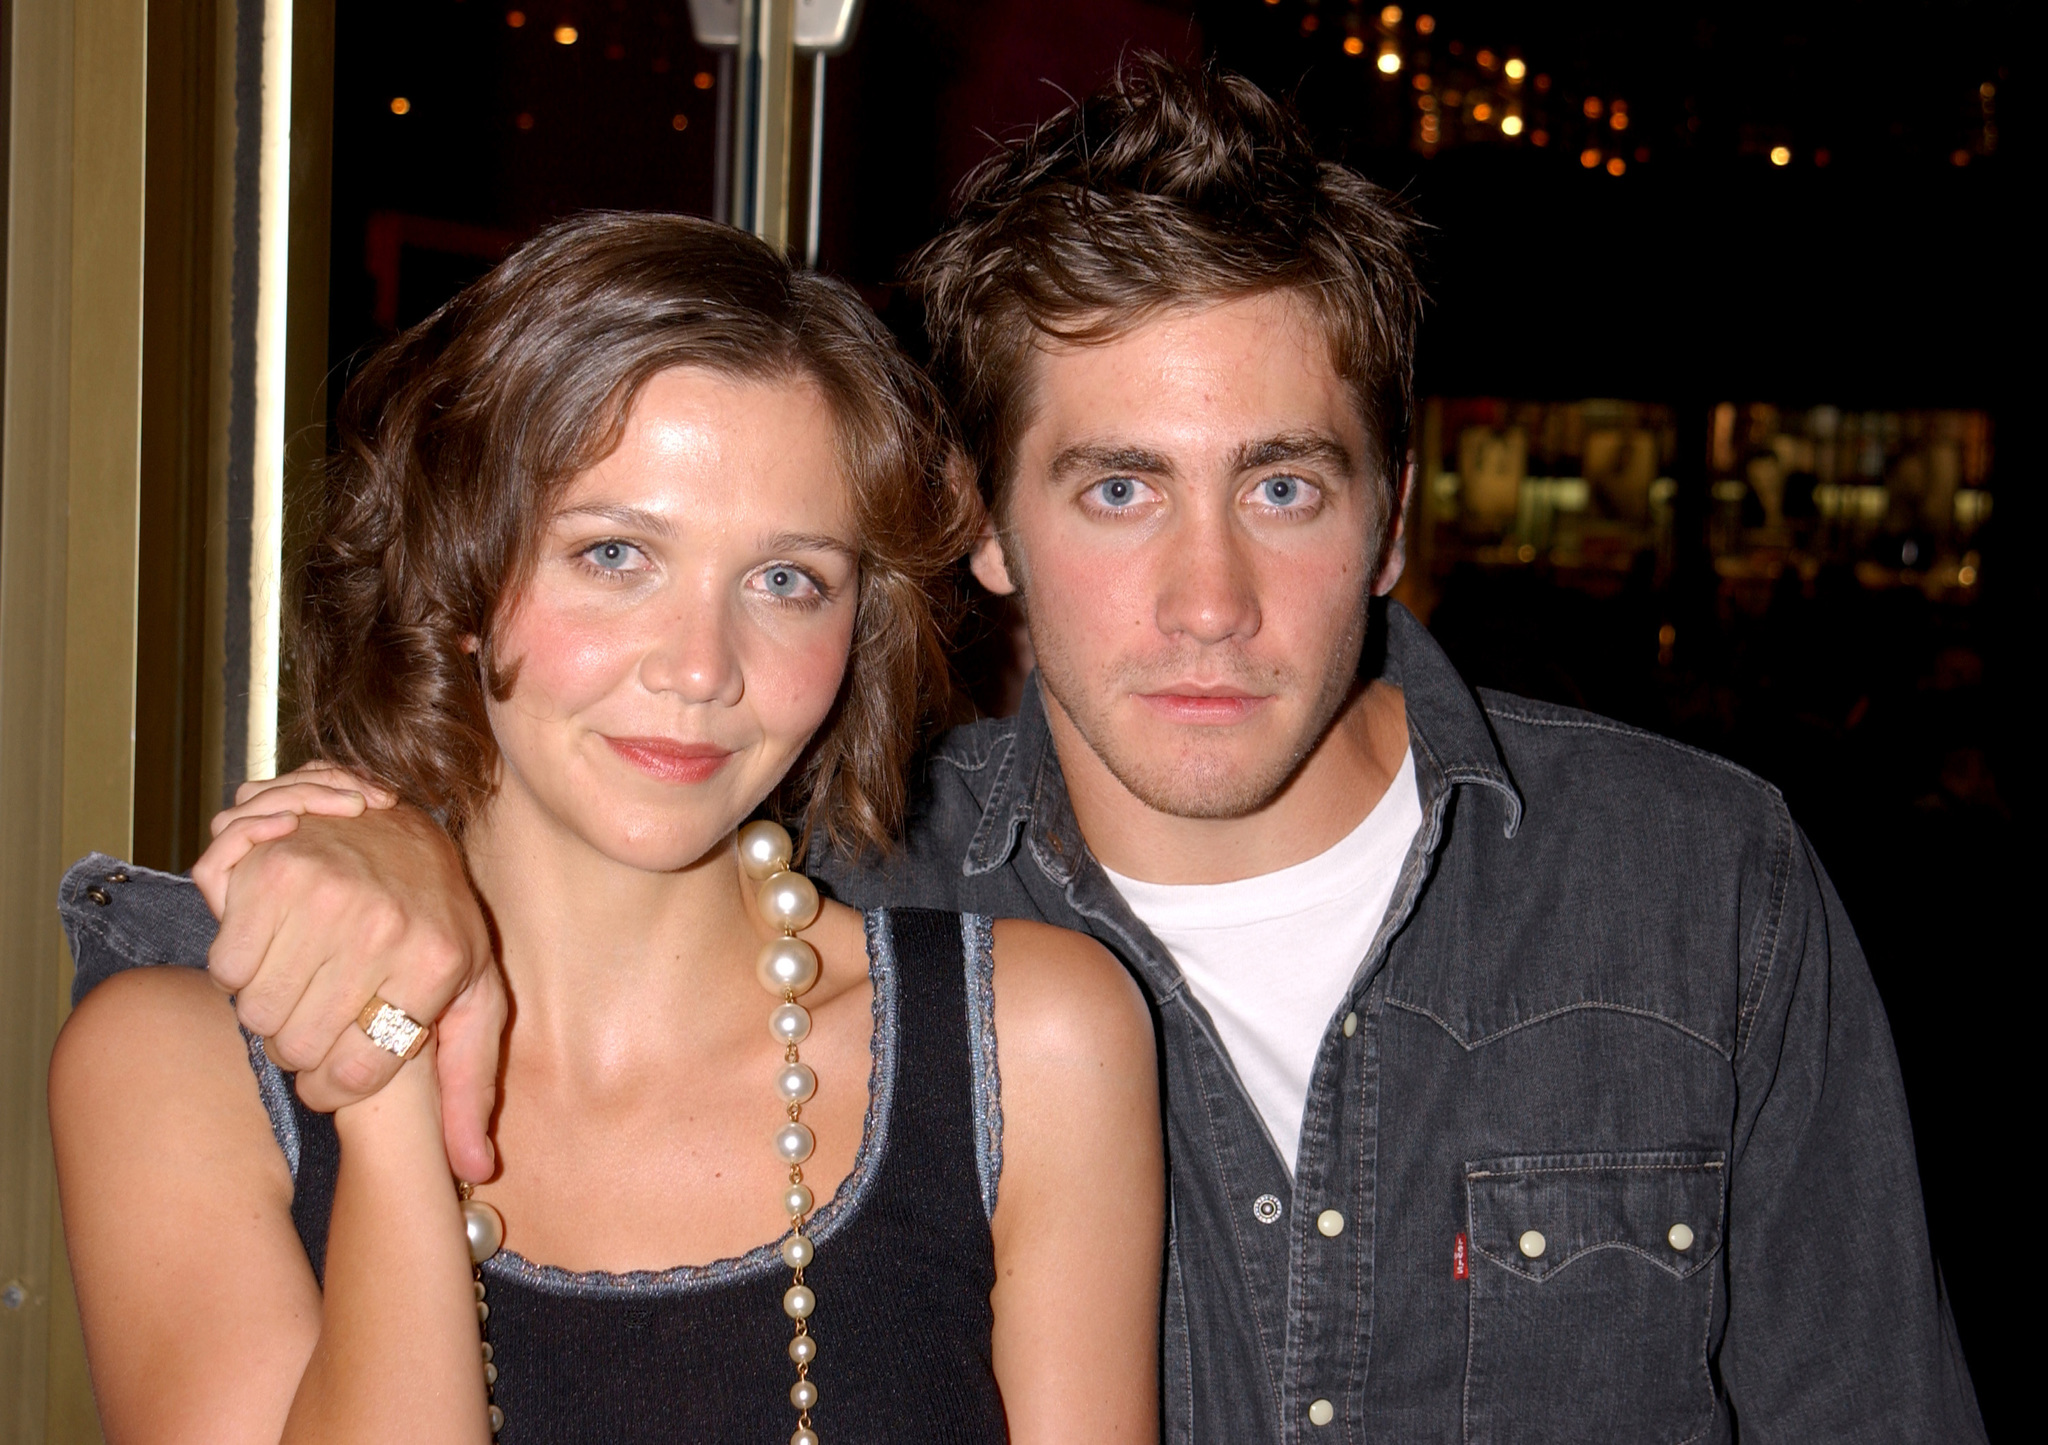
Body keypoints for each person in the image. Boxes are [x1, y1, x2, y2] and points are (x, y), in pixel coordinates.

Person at [65, 59, 1986, 1444]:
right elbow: (376, 906)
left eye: (1286, 486)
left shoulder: (1688, 878)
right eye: (1116, 486)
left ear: (1396, 518)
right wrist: (371, 846)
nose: (1209, 601)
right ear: (980, 530)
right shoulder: (878, 873)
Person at [49, 212, 1163, 1444]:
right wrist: (386, 1063)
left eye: (786, 579)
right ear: (457, 572)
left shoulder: (1033, 1046)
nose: (700, 667)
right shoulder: (171, 1069)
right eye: (615, 553)